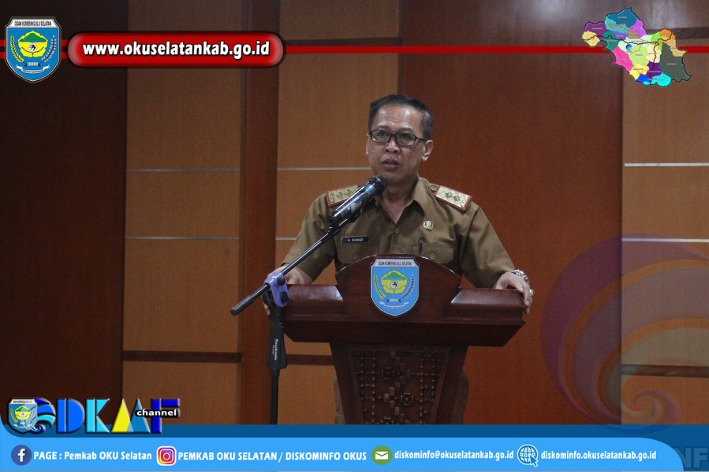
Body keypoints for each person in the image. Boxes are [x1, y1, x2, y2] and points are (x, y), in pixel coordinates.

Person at [275, 94, 534, 422]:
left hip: (437, 380)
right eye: (381, 135)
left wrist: (510, 278)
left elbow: (499, 277)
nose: (392, 147)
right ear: (367, 144)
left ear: (426, 149)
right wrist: (286, 279)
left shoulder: (457, 214)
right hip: (359, 381)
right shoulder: (334, 211)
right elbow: (297, 273)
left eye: (405, 138)